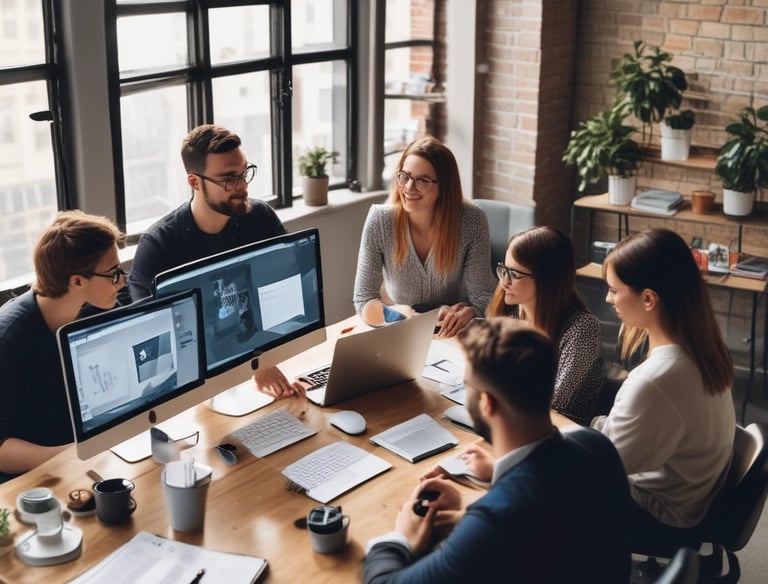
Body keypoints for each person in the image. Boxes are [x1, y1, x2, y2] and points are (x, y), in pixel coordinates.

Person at [363, 318, 631, 583]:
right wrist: (474, 504)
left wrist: (402, 539)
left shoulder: (495, 523)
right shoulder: (596, 445)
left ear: (487, 403)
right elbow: (549, 512)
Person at [128, 124, 301, 398]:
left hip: (257, 369)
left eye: (244, 173)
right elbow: (153, 343)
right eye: (228, 179)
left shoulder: (260, 217)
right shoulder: (158, 245)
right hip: (191, 390)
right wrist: (253, 363)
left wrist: (261, 359)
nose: (242, 186)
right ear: (195, 182)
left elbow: (290, 282)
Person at [592, 227, 735, 556]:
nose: (608, 299)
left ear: (648, 298)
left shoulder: (658, 379)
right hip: (688, 505)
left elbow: (604, 464)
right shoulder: (705, 349)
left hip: (660, 520)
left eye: (614, 290)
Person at [0, 211, 126, 480]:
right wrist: (77, 455)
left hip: (92, 462)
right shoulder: (8, 341)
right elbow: (2, 451)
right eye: (114, 273)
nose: (122, 281)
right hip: (34, 481)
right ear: (77, 281)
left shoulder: (98, 310)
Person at [353, 136, 496, 338]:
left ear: (444, 187)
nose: (409, 188)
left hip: (454, 333)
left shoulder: (471, 221)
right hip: (402, 330)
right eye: (405, 176)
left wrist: (471, 312)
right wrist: (400, 315)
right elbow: (363, 299)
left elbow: (485, 297)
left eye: (423, 180)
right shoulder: (380, 221)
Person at [487, 226, 605, 424]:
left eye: (514, 274)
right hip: (511, 419)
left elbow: (556, 403)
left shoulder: (582, 329)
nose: (504, 282)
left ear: (547, 279)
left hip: (558, 432)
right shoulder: (514, 309)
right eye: (504, 270)